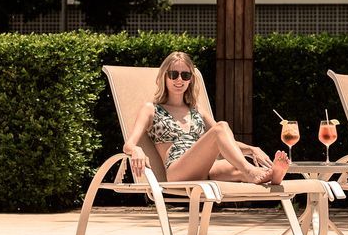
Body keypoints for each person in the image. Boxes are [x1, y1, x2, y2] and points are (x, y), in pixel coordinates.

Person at [123, 51, 290, 186]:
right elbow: (129, 144)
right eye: (173, 74)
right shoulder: (151, 109)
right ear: (164, 77)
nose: (179, 80)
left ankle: (270, 176)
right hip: (177, 170)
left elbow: (223, 140)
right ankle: (250, 171)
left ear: (191, 80)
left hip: (204, 168)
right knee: (222, 127)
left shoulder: (197, 110)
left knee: (236, 166)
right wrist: (136, 150)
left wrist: (252, 149)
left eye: (185, 75)